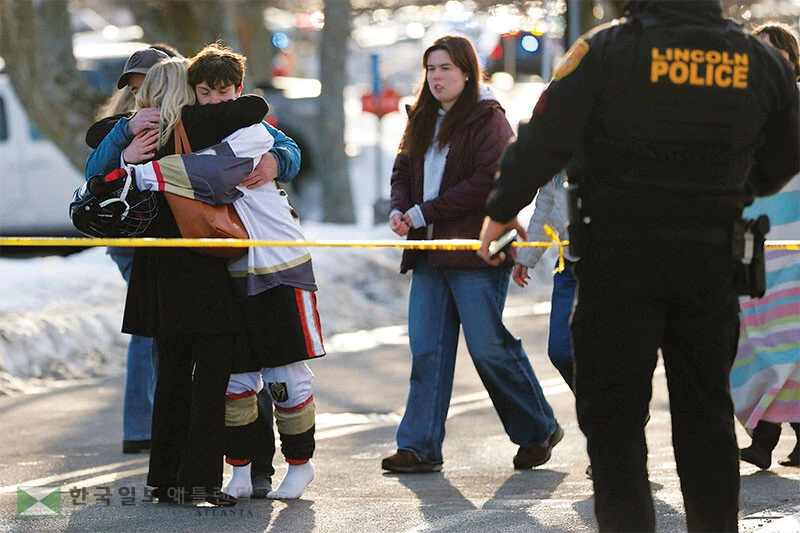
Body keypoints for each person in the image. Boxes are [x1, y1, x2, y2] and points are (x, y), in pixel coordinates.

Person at [477, 1, 799, 531]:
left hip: (617, 260)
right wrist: (732, 189)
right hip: (710, 259)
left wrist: (501, 207)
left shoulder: (605, 49)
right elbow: (786, 156)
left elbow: (545, 134)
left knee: (615, 421)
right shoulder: (757, 61)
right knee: (706, 416)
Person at [84, 45, 302, 497]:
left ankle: (165, 479)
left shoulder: (136, 133)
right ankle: (206, 480)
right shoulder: (198, 124)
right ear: (188, 90)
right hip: (204, 270)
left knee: (171, 379)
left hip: (154, 273)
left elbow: (94, 154)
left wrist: (127, 131)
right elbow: (257, 107)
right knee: (216, 379)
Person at [382, 34, 561, 474]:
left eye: (445, 68)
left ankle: (538, 428)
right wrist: (401, 209)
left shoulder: (488, 119)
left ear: (467, 71)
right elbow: (402, 169)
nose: (436, 77)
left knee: (489, 349)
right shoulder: (420, 117)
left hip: (478, 251)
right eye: (430, 69)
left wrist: (426, 212)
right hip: (429, 253)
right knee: (427, 350)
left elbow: (490, 183)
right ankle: (419, 445)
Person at [84, 46, 170, 455]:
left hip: (167, 236)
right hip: (135, 238)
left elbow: (282, 146)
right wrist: (123, 148)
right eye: (135, 89)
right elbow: (93, 173)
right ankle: (143, 427)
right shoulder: (124, 123)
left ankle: (146, 428)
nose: (141, 97)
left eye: (147, 87)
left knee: (150, 327)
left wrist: (277, 159)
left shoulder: (195, 110)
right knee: (148, 325)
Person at [732, 22, 800, 470]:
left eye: (776, 54)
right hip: (751, 236)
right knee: (750, 335)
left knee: (787, 336)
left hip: (793, 240)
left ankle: (769, 435)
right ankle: (765, 430)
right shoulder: (738, 108)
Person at [512, 171, 576, 390]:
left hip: (609, 264)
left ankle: (619, 413)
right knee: (561, 350)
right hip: (569, 267)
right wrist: (527, 255)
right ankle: (604, 411)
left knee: (607, 347)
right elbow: (547, 204)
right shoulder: (553, 148)